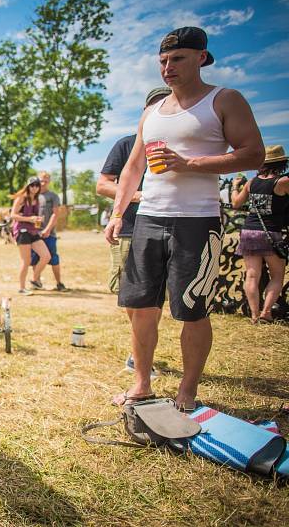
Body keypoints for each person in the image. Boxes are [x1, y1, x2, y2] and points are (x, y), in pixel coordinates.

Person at [105, 27, 265, 410]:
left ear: (201, 57)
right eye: (162, 61)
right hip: (148, 220)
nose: (167, 68)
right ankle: (141, 383)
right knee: (139, 306)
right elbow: (131, 169)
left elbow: (254, 154)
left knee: (190, 309)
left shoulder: (224, 99)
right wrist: (117, 213)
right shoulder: (152, 112)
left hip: (197, 220)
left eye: (177, 59)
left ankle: (187, 390)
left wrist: (190, 163)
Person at [97, 86, 172, 375]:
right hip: (129, 229)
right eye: (153, 106)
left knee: (155, 297)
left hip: (169, 228)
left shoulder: (182, 143)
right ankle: (140, 348)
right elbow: (103, 184)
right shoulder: (127, 145)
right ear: (144, 112)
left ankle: (139, 354)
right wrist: (137, 195)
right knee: (130, 296)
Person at [230, 145, 289, 323]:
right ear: (282, 162)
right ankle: (266, 312)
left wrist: (234, 186)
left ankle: (254, 315)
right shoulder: (283, 181)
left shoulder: (251, 182)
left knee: (251, 275)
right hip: (271, 233)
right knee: (277, 275)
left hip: (249, 231)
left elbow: (236, 204)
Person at [11, 176, 51, 296]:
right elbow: (13, 215)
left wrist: (38, 220)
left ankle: (34, 279)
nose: (34, 188)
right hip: (22, 231)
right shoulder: (21, 198)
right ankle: (22, 288)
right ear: (28, 186)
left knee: (46, 256)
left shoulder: (38, 199)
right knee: (26, 260)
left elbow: (33, 218)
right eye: (32, 185)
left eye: (37, 185)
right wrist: (29, 219)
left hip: (33, 231)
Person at [30, 171, 67, 291]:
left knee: (53, 258)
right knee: (35, 259)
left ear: (49, 181)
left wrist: (47, 229)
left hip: (49, 233)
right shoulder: (33, 196)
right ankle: (36, 282)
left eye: (46, 180)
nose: (43, 182)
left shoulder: (53, 196)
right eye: (41, 180)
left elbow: (55, 214)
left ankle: (59, 283)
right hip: (35, 234)